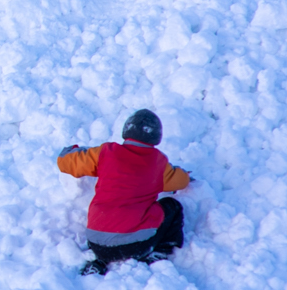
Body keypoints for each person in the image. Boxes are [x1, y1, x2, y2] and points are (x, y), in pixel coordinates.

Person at [57, 109, 194, 275]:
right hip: (137, 244)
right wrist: (185, 175)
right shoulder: (158, 163)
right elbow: (180, 181)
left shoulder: (106, 153)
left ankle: (100, 261)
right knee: (172, 206)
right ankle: (161, 251)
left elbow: (68, 162)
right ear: (156, 136)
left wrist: (68, 152)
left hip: (96, 241)